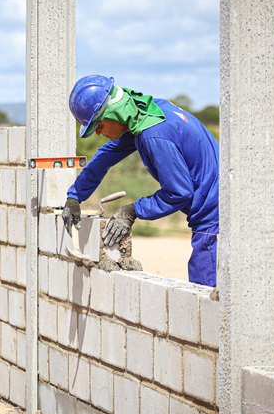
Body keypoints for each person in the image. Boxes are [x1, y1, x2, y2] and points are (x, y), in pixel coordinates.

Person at [61, 75, 219, 287]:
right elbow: (105, 156)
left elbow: (179, 192)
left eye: (99, 126)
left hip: (214, 214)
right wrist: (75, 196)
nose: (99, 133)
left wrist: (132, 211)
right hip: (217, 202)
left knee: (207, 296)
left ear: (113, 114)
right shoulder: (147, 113)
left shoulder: (154, 135)